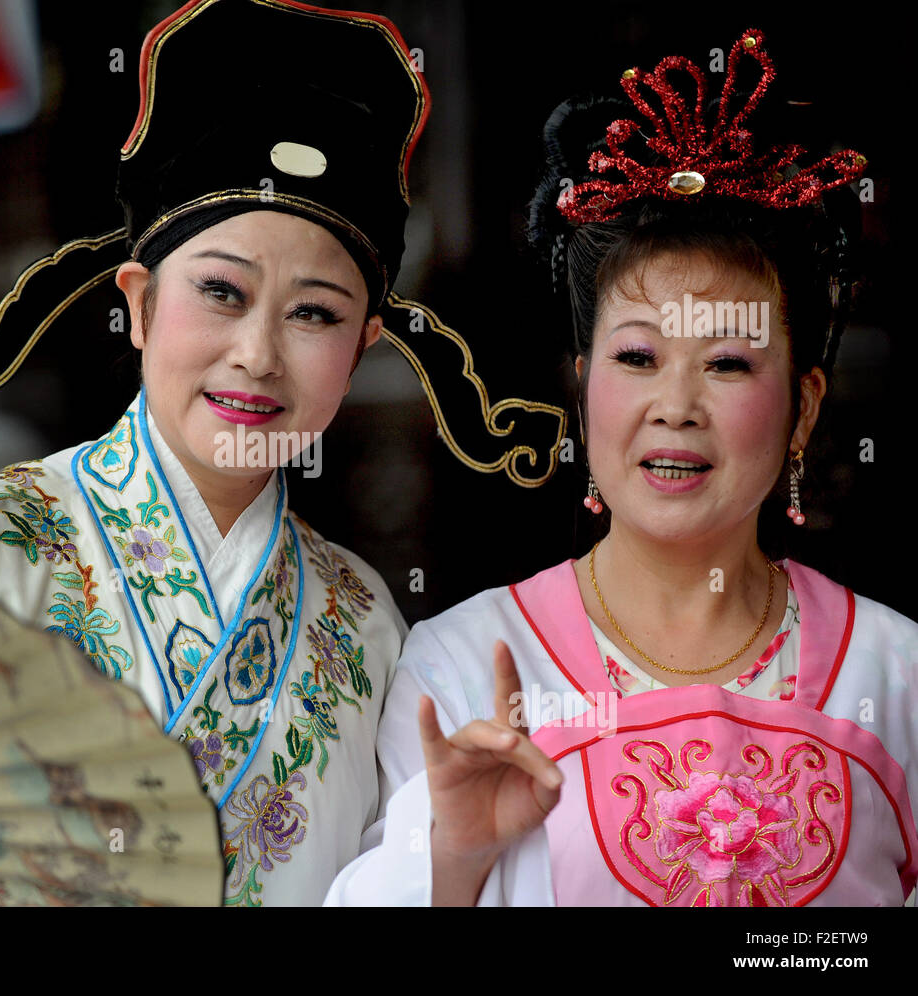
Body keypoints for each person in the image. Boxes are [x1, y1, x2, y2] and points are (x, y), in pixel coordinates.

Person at [0, 0, 563, 907]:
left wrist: (452, 853)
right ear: (138, 302)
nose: (257, 351)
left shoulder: (362, 627)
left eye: (314, 312)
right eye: (220, 291)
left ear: (363, 344)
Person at [327, 27, 918, 906]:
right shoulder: (464, 665)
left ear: (806, 405)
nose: (674, 405)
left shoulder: (895, 672)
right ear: (583, 385)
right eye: (638, 359)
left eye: (728, 363)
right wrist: (452, 860)